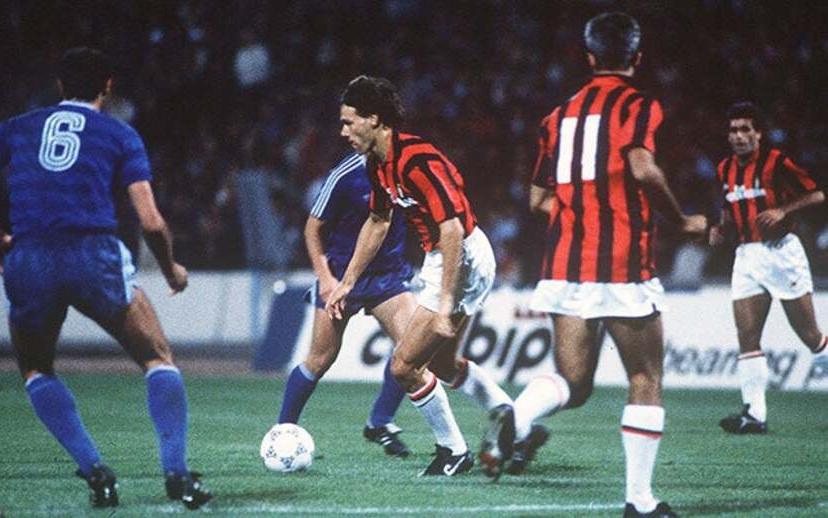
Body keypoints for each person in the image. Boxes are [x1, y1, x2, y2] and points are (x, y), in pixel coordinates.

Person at [0, 47, 211, 510]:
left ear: (59, 86)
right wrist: (171, 269)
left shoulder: (18, 126)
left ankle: (96, 471)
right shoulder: (119, 133)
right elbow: (151, 222)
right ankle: (177, 475)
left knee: (36, 369)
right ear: (107, 87)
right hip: (92, 253)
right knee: (157, 359)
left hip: (30, 257)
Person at [483, 13, 707, 518]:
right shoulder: (639, 106)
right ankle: (640, 501)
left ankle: (517, 415)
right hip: (623, 264)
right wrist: (680, 221)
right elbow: (643, 168)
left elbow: (537, 199)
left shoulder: (556, 118)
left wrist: (577, 211)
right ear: (637, 57)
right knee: (645, 378)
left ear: (589, 57)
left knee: (574, 382)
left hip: (565, 265)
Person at [325, 75, 514, 476]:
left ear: (374, 119)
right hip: (447, 256)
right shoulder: (378, 164)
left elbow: (452, 230)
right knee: (442, 363)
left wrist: (444, 305)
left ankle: (453, 451)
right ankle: (508, 414)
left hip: (459, 255)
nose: (343, 132)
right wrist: (347, 281)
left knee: (403, 366)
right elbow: (378, 221)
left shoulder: (418, 161)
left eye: (348, 122)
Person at [277, 151, 415, 458]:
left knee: (411, 350)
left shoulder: (406, 165)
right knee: (320, 359)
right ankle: (282, 431)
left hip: (387, 276)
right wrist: (325, 279)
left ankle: (380, 422)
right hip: (340, 276)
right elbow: (312, 228)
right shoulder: (344, 175)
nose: (345, 131)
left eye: (351, 126)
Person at [710, 101, 826, 434]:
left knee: (810, 336)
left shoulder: (777, 162)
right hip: (747, 256)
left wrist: (783, 211)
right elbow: (728, 206)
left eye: (745, 129)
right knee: (747, 336)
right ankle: (755, 415)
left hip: (782, 254)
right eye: (733, 130)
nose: (738, 136)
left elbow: (817, 195)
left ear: (758, 133)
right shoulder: (725, 169)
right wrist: (720, 228)